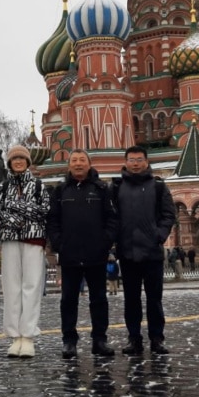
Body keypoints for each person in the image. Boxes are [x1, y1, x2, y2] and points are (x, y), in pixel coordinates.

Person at [47, 148, 119, 359]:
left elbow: (112, 219)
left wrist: (105, 242)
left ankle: (99, 340)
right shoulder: (60, 191)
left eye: (82, 160)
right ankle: (69, 341)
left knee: (99, 299)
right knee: (68, 300)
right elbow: (52, 221)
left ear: (89, 164)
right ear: (69, 165)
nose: (78, 164)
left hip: (96, 254)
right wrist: (59, 244)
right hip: (70, 254)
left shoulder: (101, 189)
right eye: (74, 160)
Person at [110, 145, 176, 356]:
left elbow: (168, 215)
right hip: (128, 252)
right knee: (131, 300)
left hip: (152, 252)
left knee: (154, 300)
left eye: (139, 160)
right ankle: (134, 339)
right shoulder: (116, 186)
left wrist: (159, 235)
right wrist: (116, 240)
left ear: (146, 162)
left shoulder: (157, 186)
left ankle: (157, 339)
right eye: (132, 160)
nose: (136, 163)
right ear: (126, 162)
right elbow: (111, 217)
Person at [0, 144, 49, 358]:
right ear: (9, 163)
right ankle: (15, 336)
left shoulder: (38, 185)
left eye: (21, 159)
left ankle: (28, 336)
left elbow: (44, 209)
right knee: (11, 286)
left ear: (27, 162)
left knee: (32, 285)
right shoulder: (3, 186)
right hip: (10, 239)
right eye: (14, 159)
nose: (18, 162)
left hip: (34, 239)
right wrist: (16, 218)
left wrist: (15, 207)